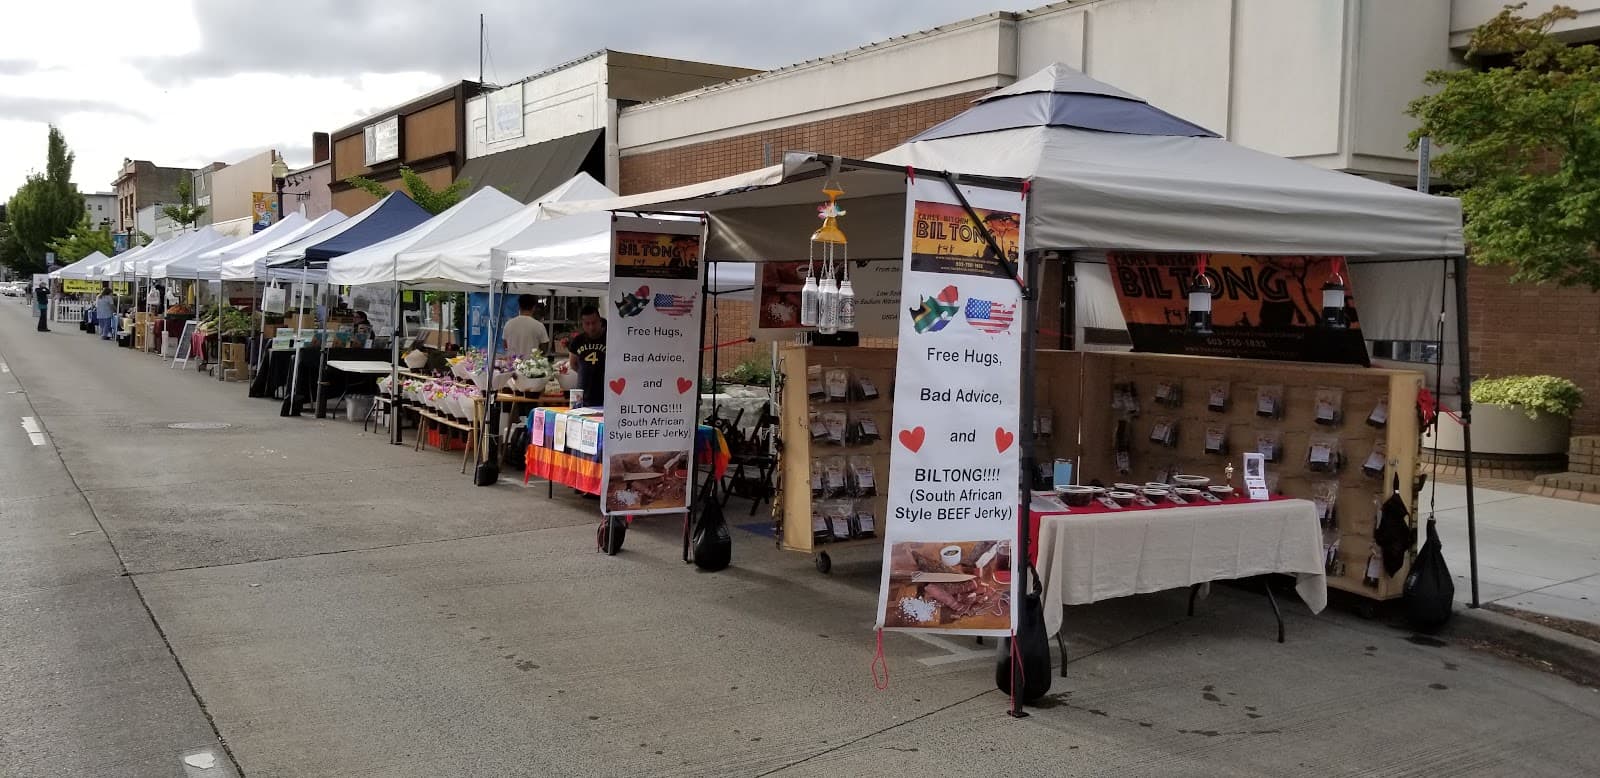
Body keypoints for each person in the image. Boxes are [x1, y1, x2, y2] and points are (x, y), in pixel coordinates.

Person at [567, 305, 606, 408]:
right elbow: (573, 364)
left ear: (600, 321)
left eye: (594, 323)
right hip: (582, 394)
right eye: (587, 323)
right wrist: (586, 372)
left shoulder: (609, 339)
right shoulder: (577, 341)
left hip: (605, 394)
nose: (591, 327)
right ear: (582, 324)